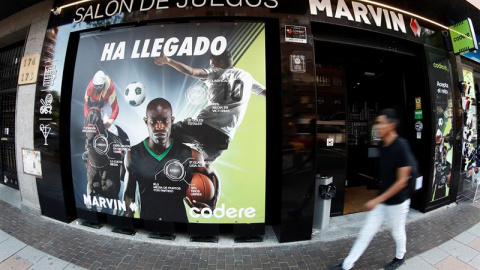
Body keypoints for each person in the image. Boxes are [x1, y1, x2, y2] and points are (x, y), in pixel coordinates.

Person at [330, 109, 413, 270]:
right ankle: (346, 265)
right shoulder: (382, 145)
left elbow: (401, 182)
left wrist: (376, 200)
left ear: (391, 125)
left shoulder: (401, 146)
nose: (377, 126)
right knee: (366, 233)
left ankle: (400, 256)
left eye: (380, 123)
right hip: (382, 200)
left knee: (397, 232)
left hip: (397, 202)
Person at [154, 50, 266, 162]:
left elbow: (192, 72)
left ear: (221, 63)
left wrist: (168, 61)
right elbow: (265, 92)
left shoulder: (217, 72)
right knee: (200, 167)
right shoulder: (247, 77)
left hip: (203, 125)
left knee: (165, 133)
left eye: (212, 64)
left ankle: (155, 163)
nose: (211, 66)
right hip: (223, 137)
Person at [123, 98, 219, 222]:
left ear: (172, 121)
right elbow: (129, 195)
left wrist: (213, 203)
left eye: (164, 120)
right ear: (146, 122)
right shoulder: (133, 155)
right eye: (153, 121)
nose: (159, 127)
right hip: (147, 229)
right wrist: (128, 223)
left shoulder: (190, 155)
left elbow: (211, 173)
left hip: (179, 229)